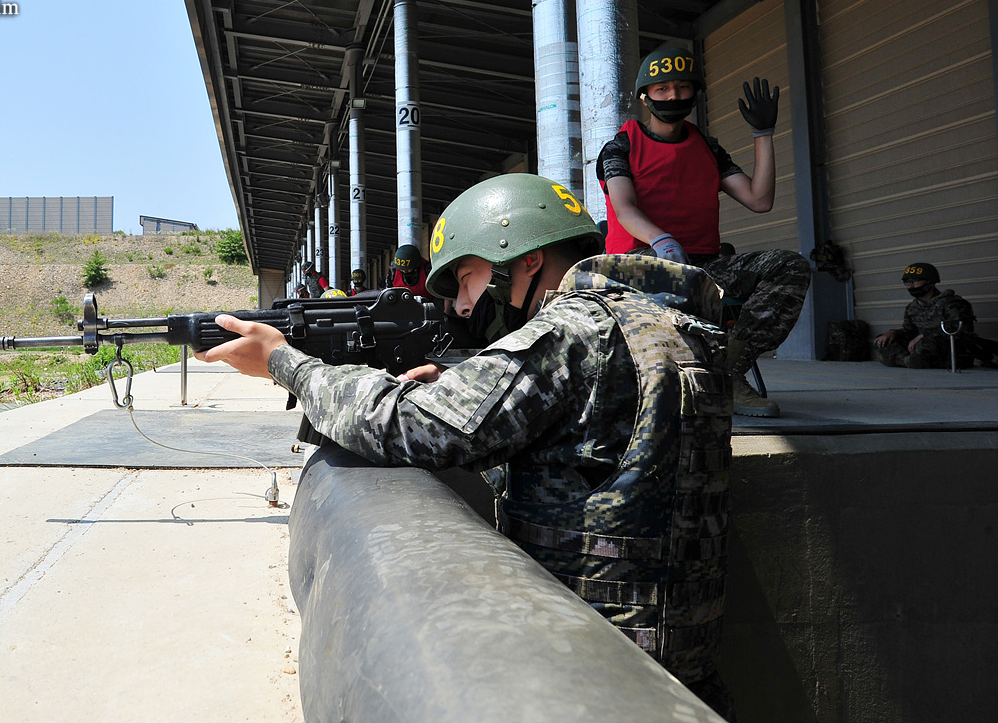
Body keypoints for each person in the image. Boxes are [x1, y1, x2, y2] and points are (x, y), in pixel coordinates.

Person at [200, 174, 737, 718]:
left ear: (523, 257)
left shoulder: (572, 332)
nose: (462, 303)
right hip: (687, 675)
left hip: (590, 671)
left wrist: (284, 363)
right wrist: (457, 381)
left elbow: (403, 425)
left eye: (466, 276)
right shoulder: (673, 322)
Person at [598, 43, 811, 417]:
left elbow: (759, 200)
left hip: (701, 266)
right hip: (638, 265)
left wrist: (763, 134)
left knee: (789, 265)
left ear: (695, 94)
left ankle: (727, 370)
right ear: (645, 97)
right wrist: (662, 239)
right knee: (675, 273)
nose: (673, 96)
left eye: (682, 87)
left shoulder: (707, 149)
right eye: (662, 89)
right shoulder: (622, 146)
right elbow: (624, 207)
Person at [875, 262, 987, 369]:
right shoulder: (912, 307)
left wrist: (924, 336)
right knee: (883, 341)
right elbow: (909, 332)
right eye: (907, 282)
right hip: (921, 349)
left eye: (915, 281)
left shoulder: (952, 303)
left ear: (930, 282)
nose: (910, 286)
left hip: (951, 351)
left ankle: (907, 361)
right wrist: (893, 333)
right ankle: (909, 361)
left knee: (926, 344)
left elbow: (960, 332)